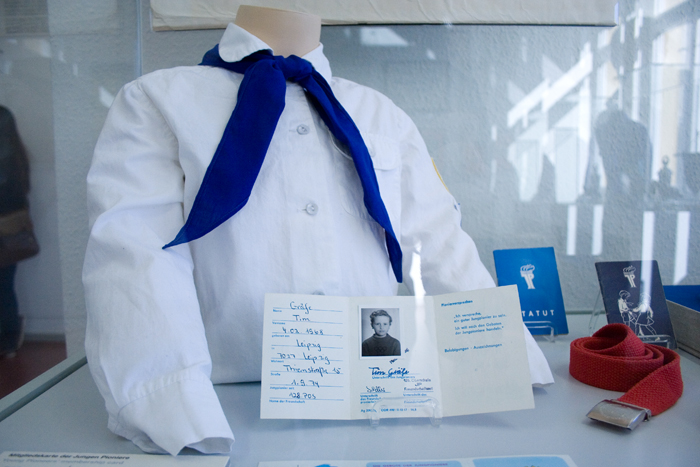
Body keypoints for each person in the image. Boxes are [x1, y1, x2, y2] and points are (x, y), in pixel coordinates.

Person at [83, 5, 552, 456]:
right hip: (229, 402)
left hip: (377, 398)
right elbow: (137, 255)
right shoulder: (157, 101)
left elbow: (437, 241)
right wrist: (171, 402)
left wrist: (501, 360)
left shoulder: (378, 112)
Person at [0, 106, 29, 358]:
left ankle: (9, 339)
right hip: (12, 231)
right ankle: (9, 341)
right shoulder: (18, 156)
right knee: (6, 286)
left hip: (5, 230)